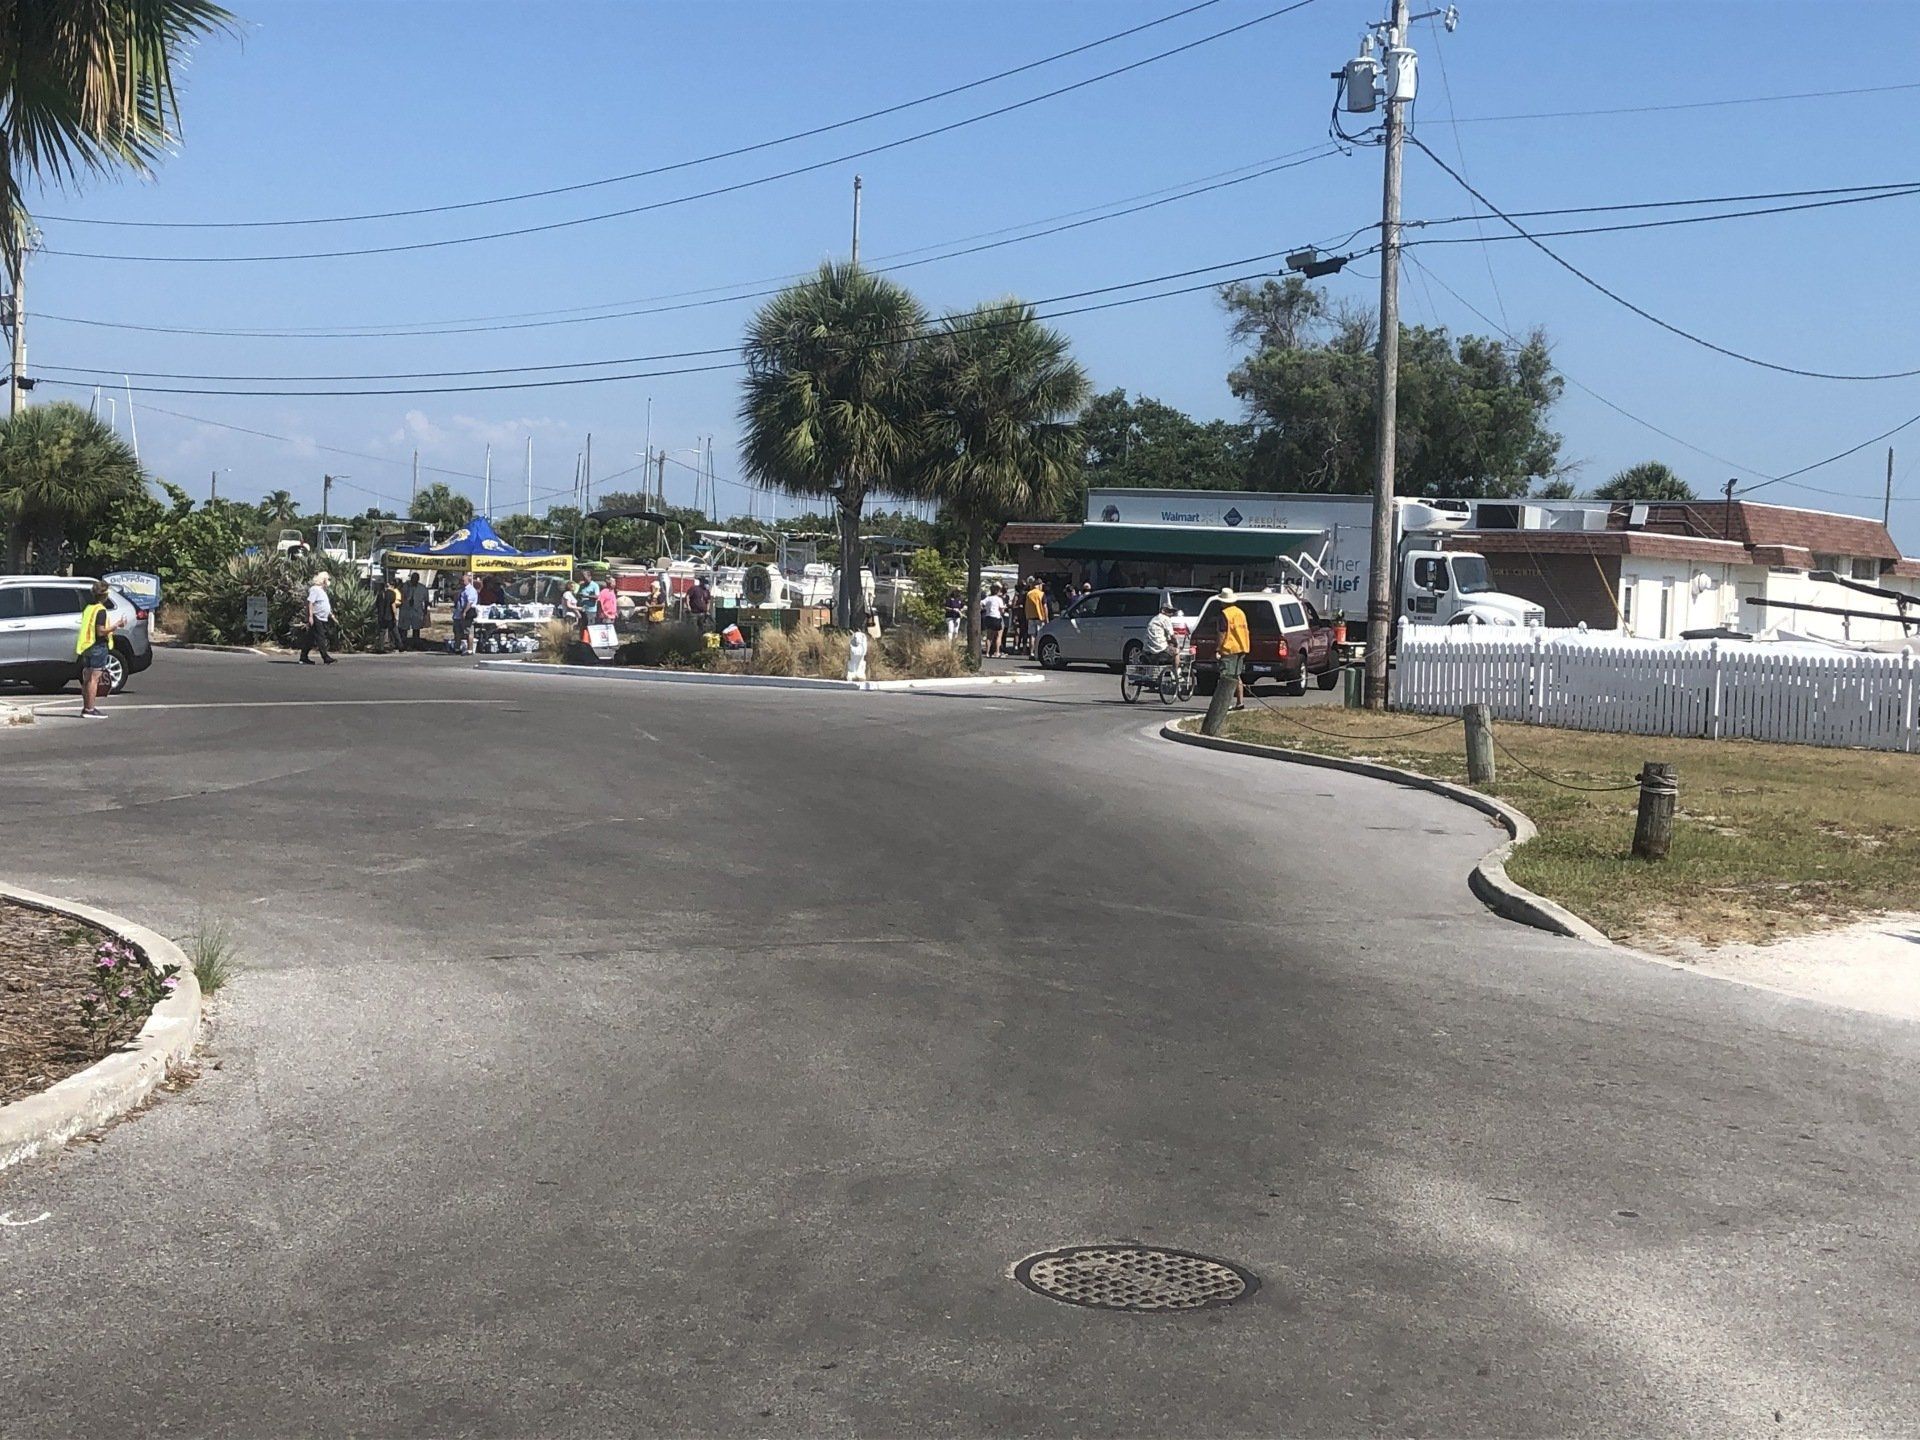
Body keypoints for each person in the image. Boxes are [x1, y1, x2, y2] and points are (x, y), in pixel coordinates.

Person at [75, 580, 121, 718]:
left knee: (87, 678)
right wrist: (116, 625)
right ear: (105, 595)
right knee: (94, 679)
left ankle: (86, 707)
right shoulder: (101, 611)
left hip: (87, 646)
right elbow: (100, 631)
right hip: (98, 646)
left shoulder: (89, 608)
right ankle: (90, 709)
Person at [1216, 588, 1250, 711]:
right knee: (1236, 676)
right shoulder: (1240, 613)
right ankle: (1240, 702)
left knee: (1226, 677)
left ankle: (1225, 704)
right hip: (1242, 647)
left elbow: (1222, 633)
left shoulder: (1225, 614)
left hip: (1229, 648)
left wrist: (1218, 649)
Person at [300, 571, 336, 665]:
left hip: (322, 617)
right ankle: (325, 657)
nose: (328, 581)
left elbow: (323, 604)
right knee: (321, 637)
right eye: (327, 579)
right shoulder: (315, 589)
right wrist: (310, 617)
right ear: (323, 580)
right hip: (316, 617)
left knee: (310, 638)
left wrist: (331, 615)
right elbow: (310, 603)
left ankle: (303, 657)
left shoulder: (322, 591)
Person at [1143, 597, 1180, 668]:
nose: (1171, 613)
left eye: (1172, 612)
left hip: (1146, 650)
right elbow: (1172, 636)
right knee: (1176, 651)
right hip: (1160, 650)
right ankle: (1176, 674)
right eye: (1169, 611)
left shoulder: (1154, 619)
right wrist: (1177, 643)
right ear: (1163, 611)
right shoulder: (1165, 618)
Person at [398, 572, 429, 649]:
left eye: (416, 579)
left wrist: (425, 611)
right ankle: (404, 643)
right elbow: (400, 596)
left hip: (417, 610)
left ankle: (416, 643)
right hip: (406, 610)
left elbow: (426, 601)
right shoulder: (405, 586)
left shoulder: (422, 588)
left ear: (418, 579)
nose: (414, 580)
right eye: (413, 578)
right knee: (404, 628)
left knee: (416, 628)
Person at [374, 573, 402, 653]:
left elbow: (377, 606)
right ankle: (400, 646)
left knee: (382, 632)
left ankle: (381, 648)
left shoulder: (380, 594)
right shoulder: (392, 594)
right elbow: (393, 606)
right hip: (390, 616)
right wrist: (395, 616)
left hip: (381, 616)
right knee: (395, 631)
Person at [453, 571, 480, 655]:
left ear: (468, 580)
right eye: (461, 581)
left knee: (468, 632)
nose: (461, 582)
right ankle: (457, 648)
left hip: (467, 613)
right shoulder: (462, 590)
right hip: (458, 613)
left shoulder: (471, 590)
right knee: (457, 631)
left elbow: (470, 602)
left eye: (463, 580)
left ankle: (470, 649)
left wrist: (464, 612)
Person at [1022, 576, 1048, 654]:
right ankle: (1038, 652)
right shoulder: (1041, 594)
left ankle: (1031, 652)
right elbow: (1045, 607)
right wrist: (1046, 618)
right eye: (1041, 585)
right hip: (1040, 617)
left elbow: (1026, 606)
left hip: (1030, 617)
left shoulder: (1029, 594)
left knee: (1032, 635)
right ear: (1039, 585)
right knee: (1039, 635)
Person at [980, 582, 1006, 657]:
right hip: (997, 617)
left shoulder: (988, 598)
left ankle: (987, 653)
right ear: (998, 591)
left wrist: (984, 608)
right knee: (998, 635)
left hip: (988, 617)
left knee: (989, 636)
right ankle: (997, 652)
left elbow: (981, 603)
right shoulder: (999, 599)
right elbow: (1002, 610)